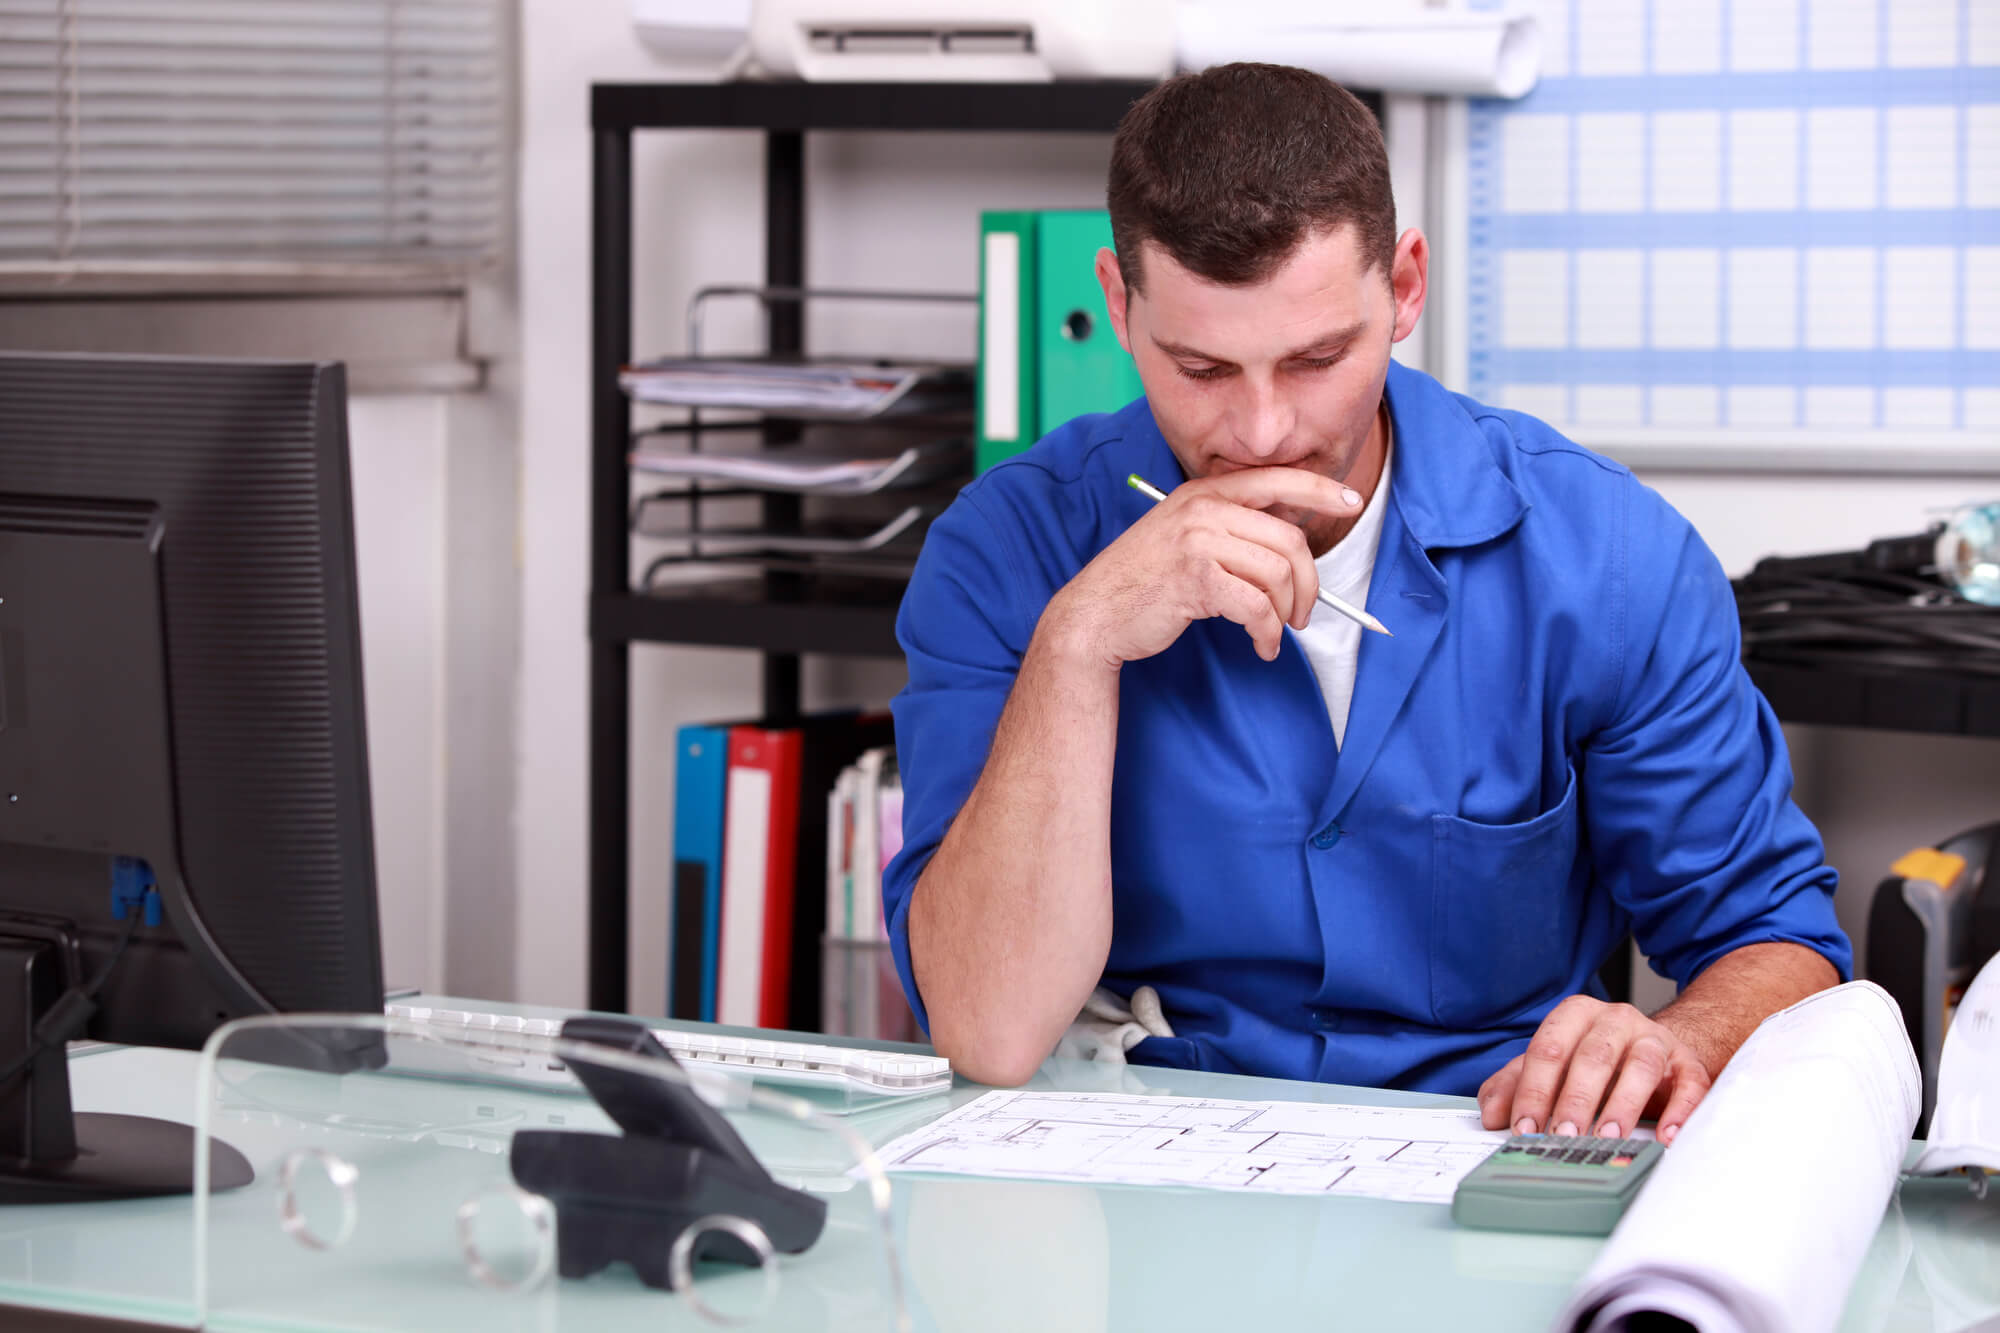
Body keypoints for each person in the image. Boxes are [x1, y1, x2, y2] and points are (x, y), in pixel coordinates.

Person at [883, 63, 1849, 1145]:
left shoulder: (1606, 557)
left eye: (1314, 360)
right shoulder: (1004, 549)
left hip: (1484, 1146)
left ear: (1404, 286)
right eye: (1199, 366)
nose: (1257, 433)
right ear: (1117, 301)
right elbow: (985, 1030)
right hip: (1130, 1150)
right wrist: (1078, 642)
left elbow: (1778, 942)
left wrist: (1678, 1040)